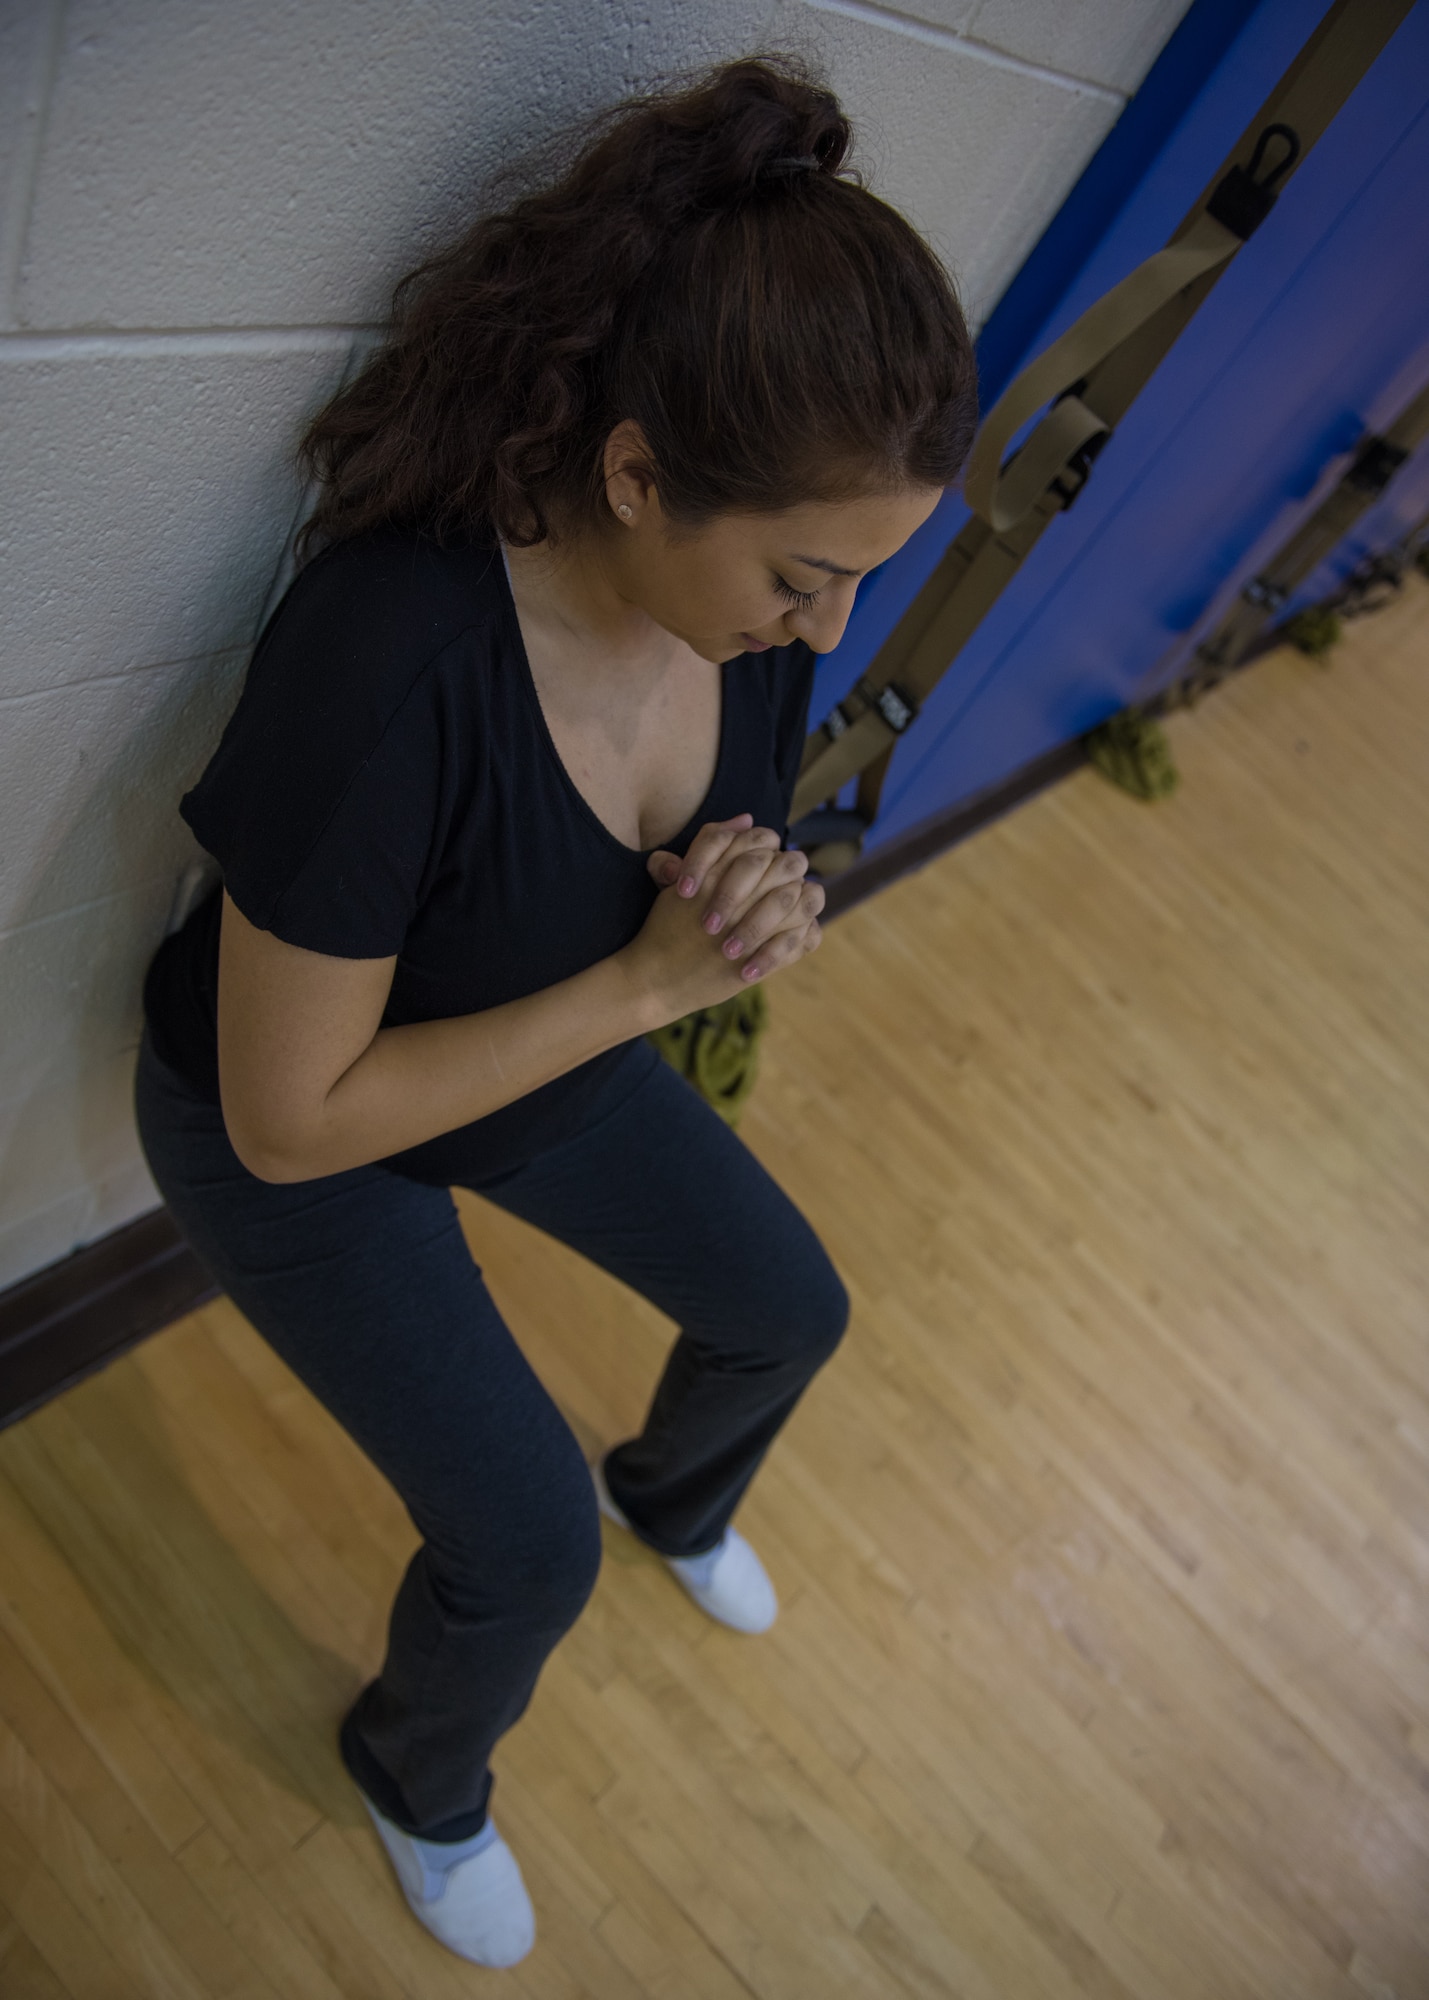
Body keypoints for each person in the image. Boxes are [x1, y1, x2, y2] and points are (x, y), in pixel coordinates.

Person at [134, 52, 976, 1969]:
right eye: (805, 576)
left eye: (860, 581)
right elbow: (291, 1121)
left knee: (786, 1311)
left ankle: (677, 1493)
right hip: (304, 1136)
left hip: (560, 1037)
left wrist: (741, 894)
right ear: (631, 473)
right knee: (525, 1551)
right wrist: (643, 984)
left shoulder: (721, 619)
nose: (826, 631)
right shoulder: (393, 662)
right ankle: (414, 1775)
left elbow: (698, 848)